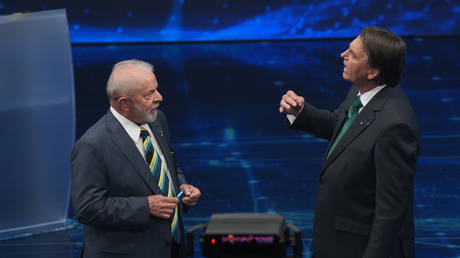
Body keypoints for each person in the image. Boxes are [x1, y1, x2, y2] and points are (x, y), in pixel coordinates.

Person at [279, 27, 420, 258]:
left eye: (353, 55)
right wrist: (300, 112)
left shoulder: (396, 127)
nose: (342, 55)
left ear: (373, 71)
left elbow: (391, 213)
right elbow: (342, 126)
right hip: (336, 243)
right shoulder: (362, 90)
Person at [71, 59, 201, 258]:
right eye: (149, 94)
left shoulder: (157, 120)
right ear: (124, 104)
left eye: (156, 89)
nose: (160, 97)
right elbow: (87, 209)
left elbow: (169, 165)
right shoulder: (92, 145)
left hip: (171, 247)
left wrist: (182, 189)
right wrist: (145, 206)